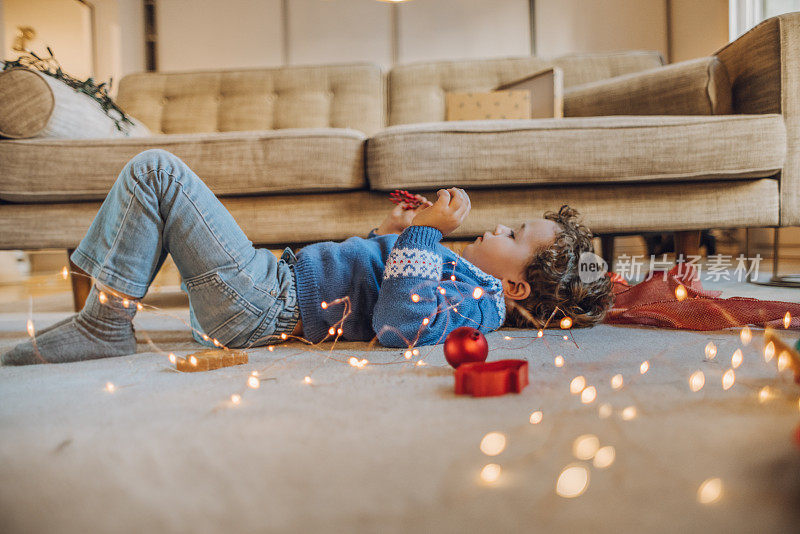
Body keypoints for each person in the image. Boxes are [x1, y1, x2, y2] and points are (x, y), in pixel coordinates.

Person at [1, 149, 613, 366]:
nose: (500, 224)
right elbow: (367, 281)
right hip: (271, 283)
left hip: (266, 303)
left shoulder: (475, 307)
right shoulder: (468, 278)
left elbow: (402, 326)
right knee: (158, 186)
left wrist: (423, 235)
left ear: (517, 290)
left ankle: (105, 325)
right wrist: (391, 229)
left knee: (158, 173)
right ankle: (104, 315)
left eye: (517, 234)